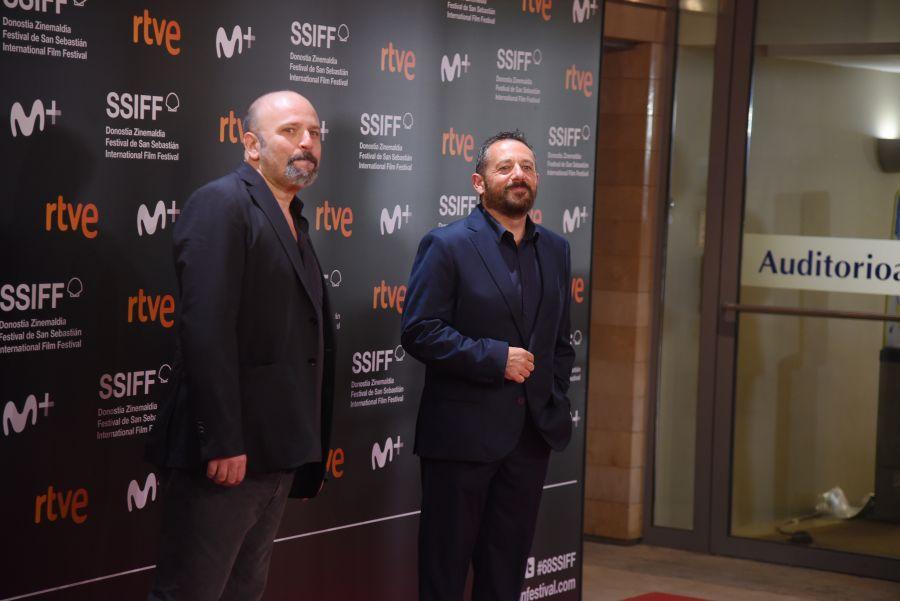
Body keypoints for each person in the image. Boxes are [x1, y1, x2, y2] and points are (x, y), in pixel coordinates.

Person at [146, 90, 334, 601]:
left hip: (276, 453)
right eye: (290, 131)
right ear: (251, 144)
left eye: (315, 133)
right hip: (229, 456)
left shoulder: (293, 216)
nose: (307, 143)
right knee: (190, 593)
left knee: (241, 592)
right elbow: (205, 329)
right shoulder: (222, 203)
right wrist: (222, 439)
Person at [401, 131, 575, 601]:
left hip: (529, 439)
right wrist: (495, 359)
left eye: (527, 167)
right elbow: (419, 331)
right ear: (478, 182)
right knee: (445, 572)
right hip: (460, 438)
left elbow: (560, 341)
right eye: (505, 168)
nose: (518, 175)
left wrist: (552, 392)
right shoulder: (447, 245)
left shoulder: (556, 250)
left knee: (505, 576)